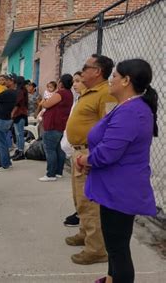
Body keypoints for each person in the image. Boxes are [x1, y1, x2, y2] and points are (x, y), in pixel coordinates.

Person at [76, 59, 158, 283]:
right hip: (114, 187)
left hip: (120, 190)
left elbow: (107, 153)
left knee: (118, 249)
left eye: (114, 76)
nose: (110, 79)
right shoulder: (128, 107)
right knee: (115, 246)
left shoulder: (132, 111)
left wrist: (84, 159)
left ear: (126, 81)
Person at [65, 54, 117, 265]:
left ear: (97, 71)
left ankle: (96, 249)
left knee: (90, 203)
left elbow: (110, 128)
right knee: (80, 199)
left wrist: (93, 157)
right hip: (79, 153)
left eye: (86, 67)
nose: (82, 70)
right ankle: (84, 233)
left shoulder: (106, 94)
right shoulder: (89, 92)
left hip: (89, 154)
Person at [38, 74, 74, 181]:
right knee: (58, 149)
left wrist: (44, 100)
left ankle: (51, 174)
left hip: (53, 125)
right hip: (60, 125)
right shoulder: (69, 94)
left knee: (50, 149)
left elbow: (46, 104)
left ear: (61, 83)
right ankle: (58, 172)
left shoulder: (61, 93)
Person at [62, 71, 86, 227]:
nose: (74, 84)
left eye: (78, 81)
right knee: (76, 190)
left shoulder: (96, 99)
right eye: (74, 81)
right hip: (74, 150)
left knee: (83, 190)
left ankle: (83, 217)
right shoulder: (79, 99)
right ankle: (80, 213)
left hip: (84, 151)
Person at [0, 74, 17, 171]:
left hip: (2, 119)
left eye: (6, 80)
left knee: (0, 143)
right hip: (5, 119)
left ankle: (4, 164)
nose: (4, 82)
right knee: (3, 142)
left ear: (12, 82)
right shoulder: (12, 92)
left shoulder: (8, 92)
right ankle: (7, 163)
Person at [11, 76, 29, 161]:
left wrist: (12, 113)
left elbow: (17, 104)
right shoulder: (23, 90)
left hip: (19, 114)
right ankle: (18, 150)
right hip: (20, 114)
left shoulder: (20, 91)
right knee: (18, 134)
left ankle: (21, 152)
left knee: (19, 134)